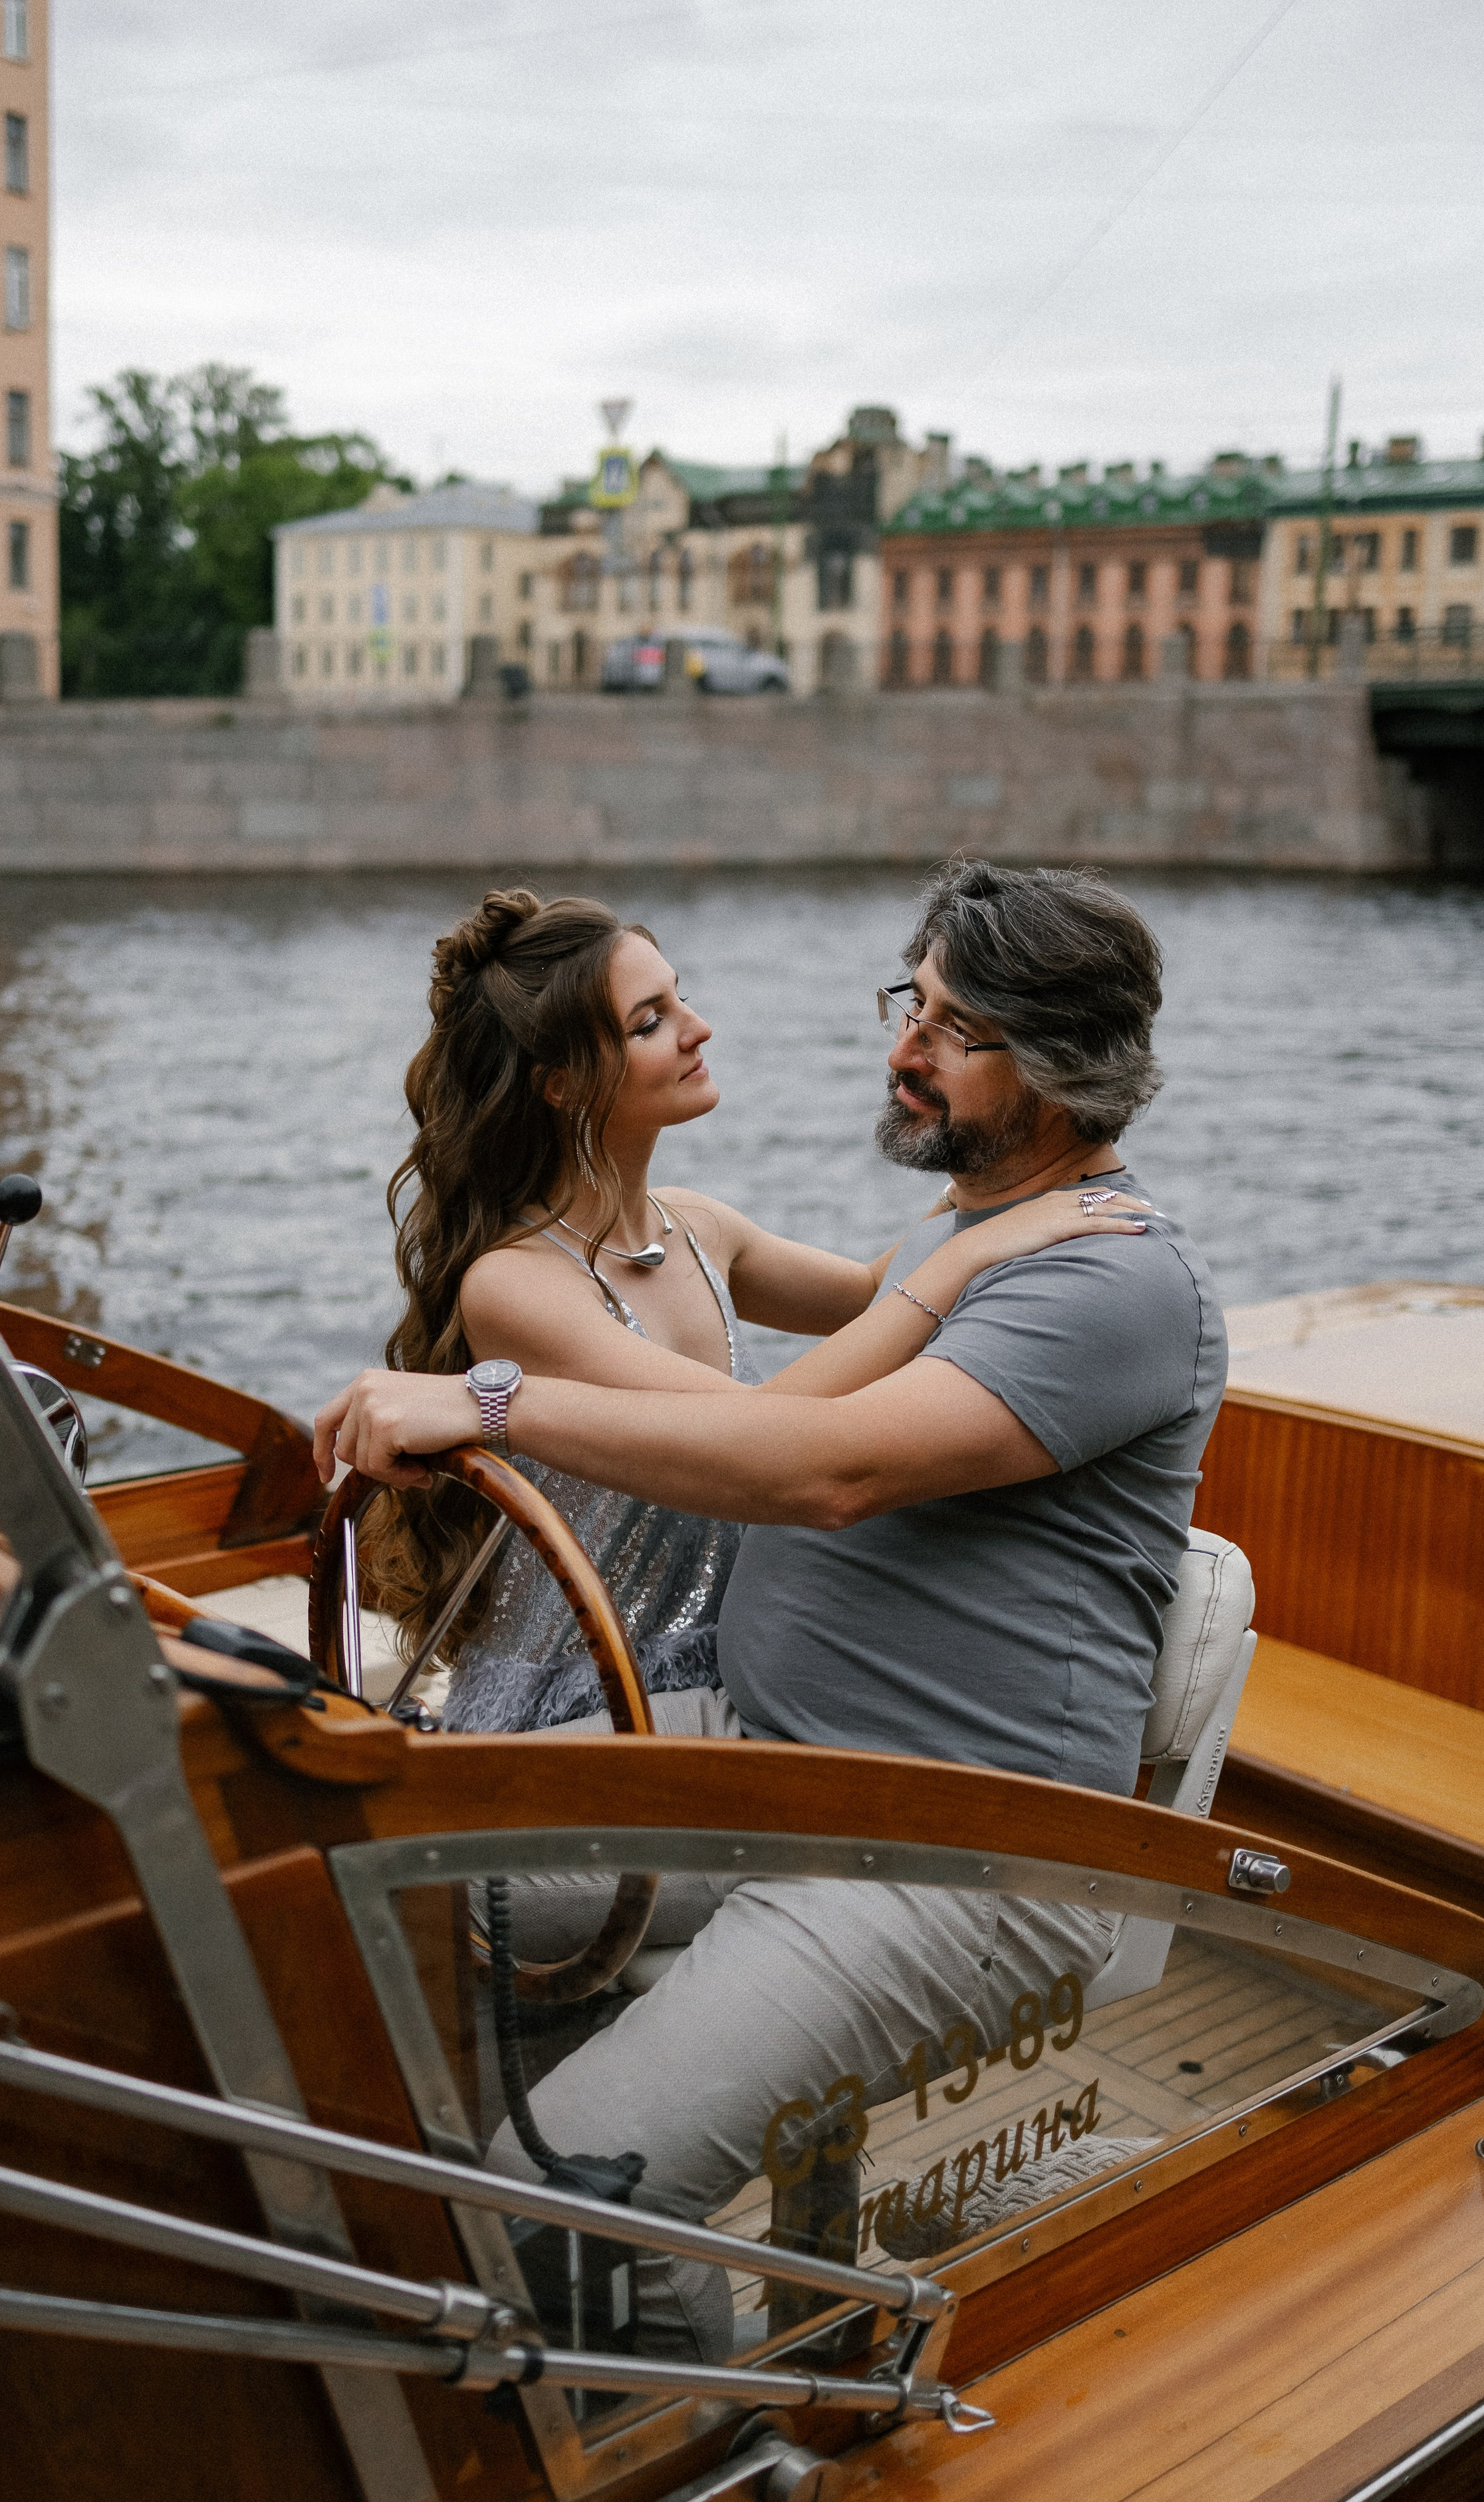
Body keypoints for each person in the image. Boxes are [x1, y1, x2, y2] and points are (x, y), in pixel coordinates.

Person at [316, 860, 1223, 2358]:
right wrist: (949, 1261)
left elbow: (813, 1469)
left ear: (1057, 1070)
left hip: (951, 1846)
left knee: (562, 2203)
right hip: (776, 1750)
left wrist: (484, 1396)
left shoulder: (1104, 1281)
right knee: (374, 1877)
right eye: (908, 1005)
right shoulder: (972, 1229)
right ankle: (497, 2223)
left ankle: (718, 2426)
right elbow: (817, 1387)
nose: (900, 1050)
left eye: (950, 1029)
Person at [348, 884, 1150, 1732]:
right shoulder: (516, 1284)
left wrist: (1005, 1185)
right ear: (562, 1085)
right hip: (586, 1688)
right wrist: (972, 1251)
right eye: (649, 1021)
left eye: (679, 995)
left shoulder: (698, 1226)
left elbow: (869, 1296)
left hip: (719, 1665)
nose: (698, 1028)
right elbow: (763, 1432)